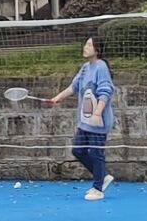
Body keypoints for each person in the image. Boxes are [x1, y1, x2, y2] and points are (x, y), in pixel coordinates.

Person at [42, 34, 115, 201]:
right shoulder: (85, 68)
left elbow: (106, 91)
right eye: (85, 44)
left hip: (98, 121)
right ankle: (103, 177)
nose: (85, 47)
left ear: (97, 50)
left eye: (89, 45)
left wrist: (97, 113)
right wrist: (57, 98)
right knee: (78, 150)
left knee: (96, 153)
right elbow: (73, 87)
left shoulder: (101, 67)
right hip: (85, 121)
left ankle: (98, 188)